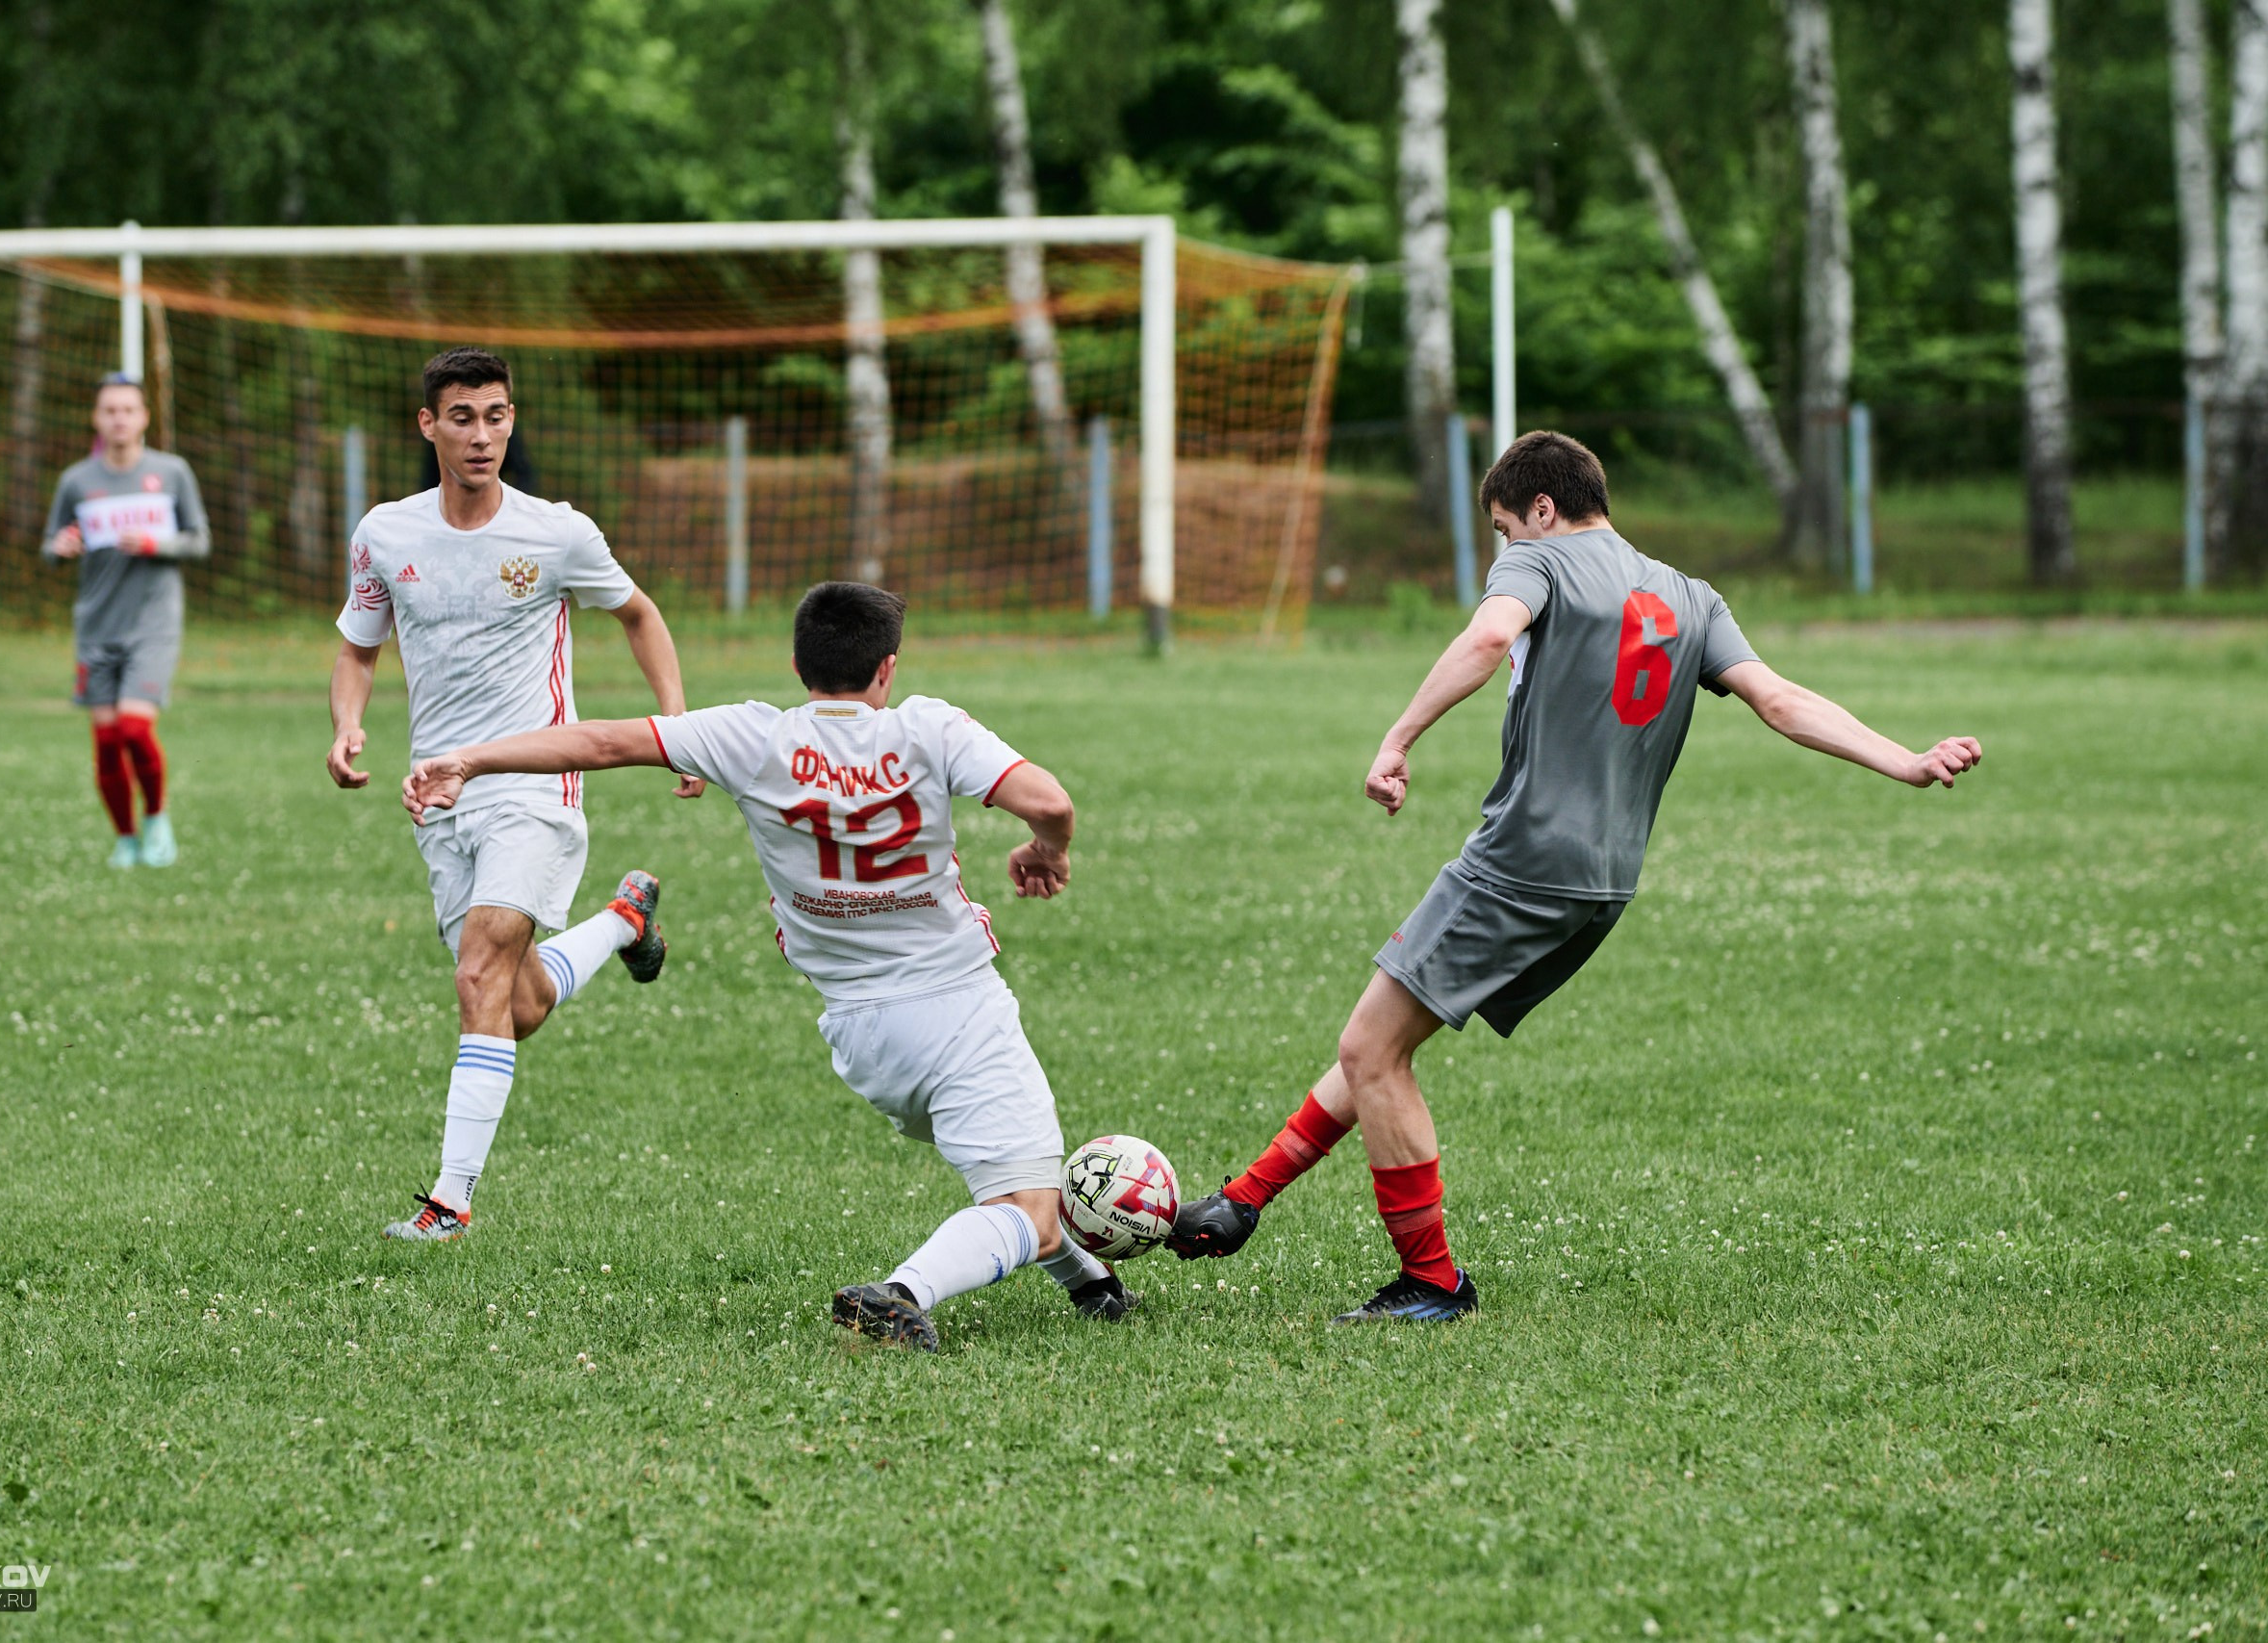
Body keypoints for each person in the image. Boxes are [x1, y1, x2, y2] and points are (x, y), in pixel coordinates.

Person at [1166, 430, 1983, 1322]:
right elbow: (1780, 700)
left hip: (1521, 860)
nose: (1502, 548)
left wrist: (1399, 737)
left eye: (1503, 528)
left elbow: (1487, 637)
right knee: (1386, 1038)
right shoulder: (1690, 595)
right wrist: (1903, 759)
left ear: (1543, 512)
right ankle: (1247, 1197)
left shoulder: (1541, 565)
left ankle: (1432, 1284)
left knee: (1372, 1049)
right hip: (1603, 883)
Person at [401, 580, 1134, 1348]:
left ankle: (1096, 1288)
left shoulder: (753, 738)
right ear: (888, 669)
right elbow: (1049, 799)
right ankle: (902, 1291)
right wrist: (1047, 847)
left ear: (796, 663)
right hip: (957, 1011)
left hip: (862, 1038)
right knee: (1025, 1207)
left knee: (1023, 1195)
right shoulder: (929, 728)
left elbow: (601, 741)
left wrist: (471, 759)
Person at [329, 346, 700, 1243]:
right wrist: (346, 725)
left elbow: (640, 614)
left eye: (497, 415)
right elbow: (358, 644)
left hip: (537, 785)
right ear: (429, 426)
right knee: (515, 1002)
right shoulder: (386, 533)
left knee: (477, 972)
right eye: (462, 417)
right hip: (438, 796)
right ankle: (623, 921)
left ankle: (448, 1204)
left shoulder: (558, 532)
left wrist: (678, 725)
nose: (482, 435)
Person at [42, 373, 210, 869]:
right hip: (96, 627)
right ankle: (125, 837)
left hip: (153, 625)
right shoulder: (77, 480)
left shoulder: (172, 472)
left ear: (143, 417)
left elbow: (199, 540)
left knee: (135, 730)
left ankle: (156, 817)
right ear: (96, 419)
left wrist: (160, 544)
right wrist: (60, 548)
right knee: (107, 741)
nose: (118, 418)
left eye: (127, 410)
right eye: (109, 411)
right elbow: (51, 543)